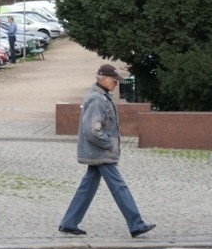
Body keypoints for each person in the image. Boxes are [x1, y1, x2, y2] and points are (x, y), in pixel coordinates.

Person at [58, 64, 156, 238]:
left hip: (99, 152)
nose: (116, 84)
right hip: (101, 153)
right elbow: (92, 130)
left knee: (87, 188)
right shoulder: (97, 99)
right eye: (113, 80)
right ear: (102, 78)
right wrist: (108, 144)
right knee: (119, 187)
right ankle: (136, 224)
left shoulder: (101, 97)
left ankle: (69, 223)